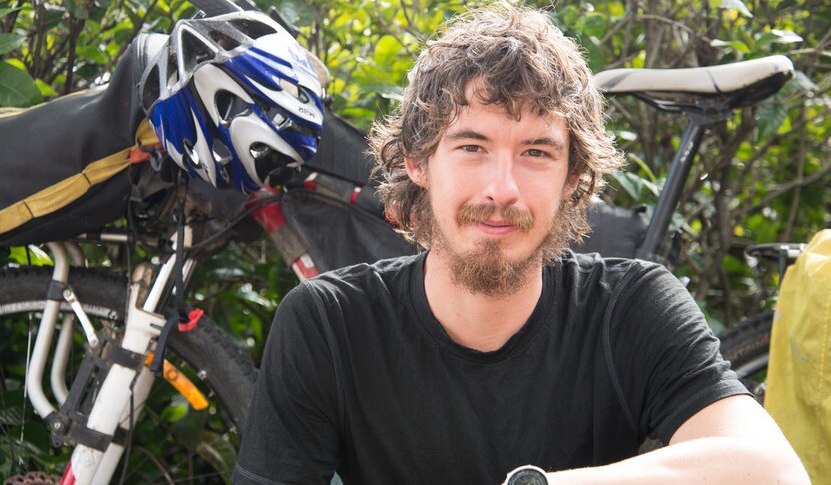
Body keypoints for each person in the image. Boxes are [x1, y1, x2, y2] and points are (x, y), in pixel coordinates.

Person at [232, 4, 808, 484]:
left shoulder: (631, 307)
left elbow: (774, 471)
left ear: (573, 178)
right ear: (417, 161)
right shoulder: (329, 324)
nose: (501, 189)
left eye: (536, 152)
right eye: (471, 147)